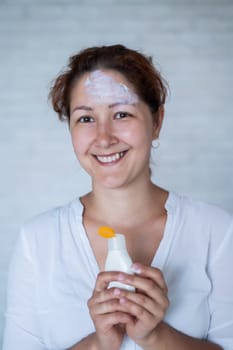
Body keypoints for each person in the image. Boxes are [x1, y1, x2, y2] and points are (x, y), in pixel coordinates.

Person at [3, 44, 233, 350]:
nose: (104, 138)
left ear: (157, 122)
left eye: (122, 114)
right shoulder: (37, 240)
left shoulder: (216, 231)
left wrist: (156, 337)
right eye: (85, 119)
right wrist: (99, 344)